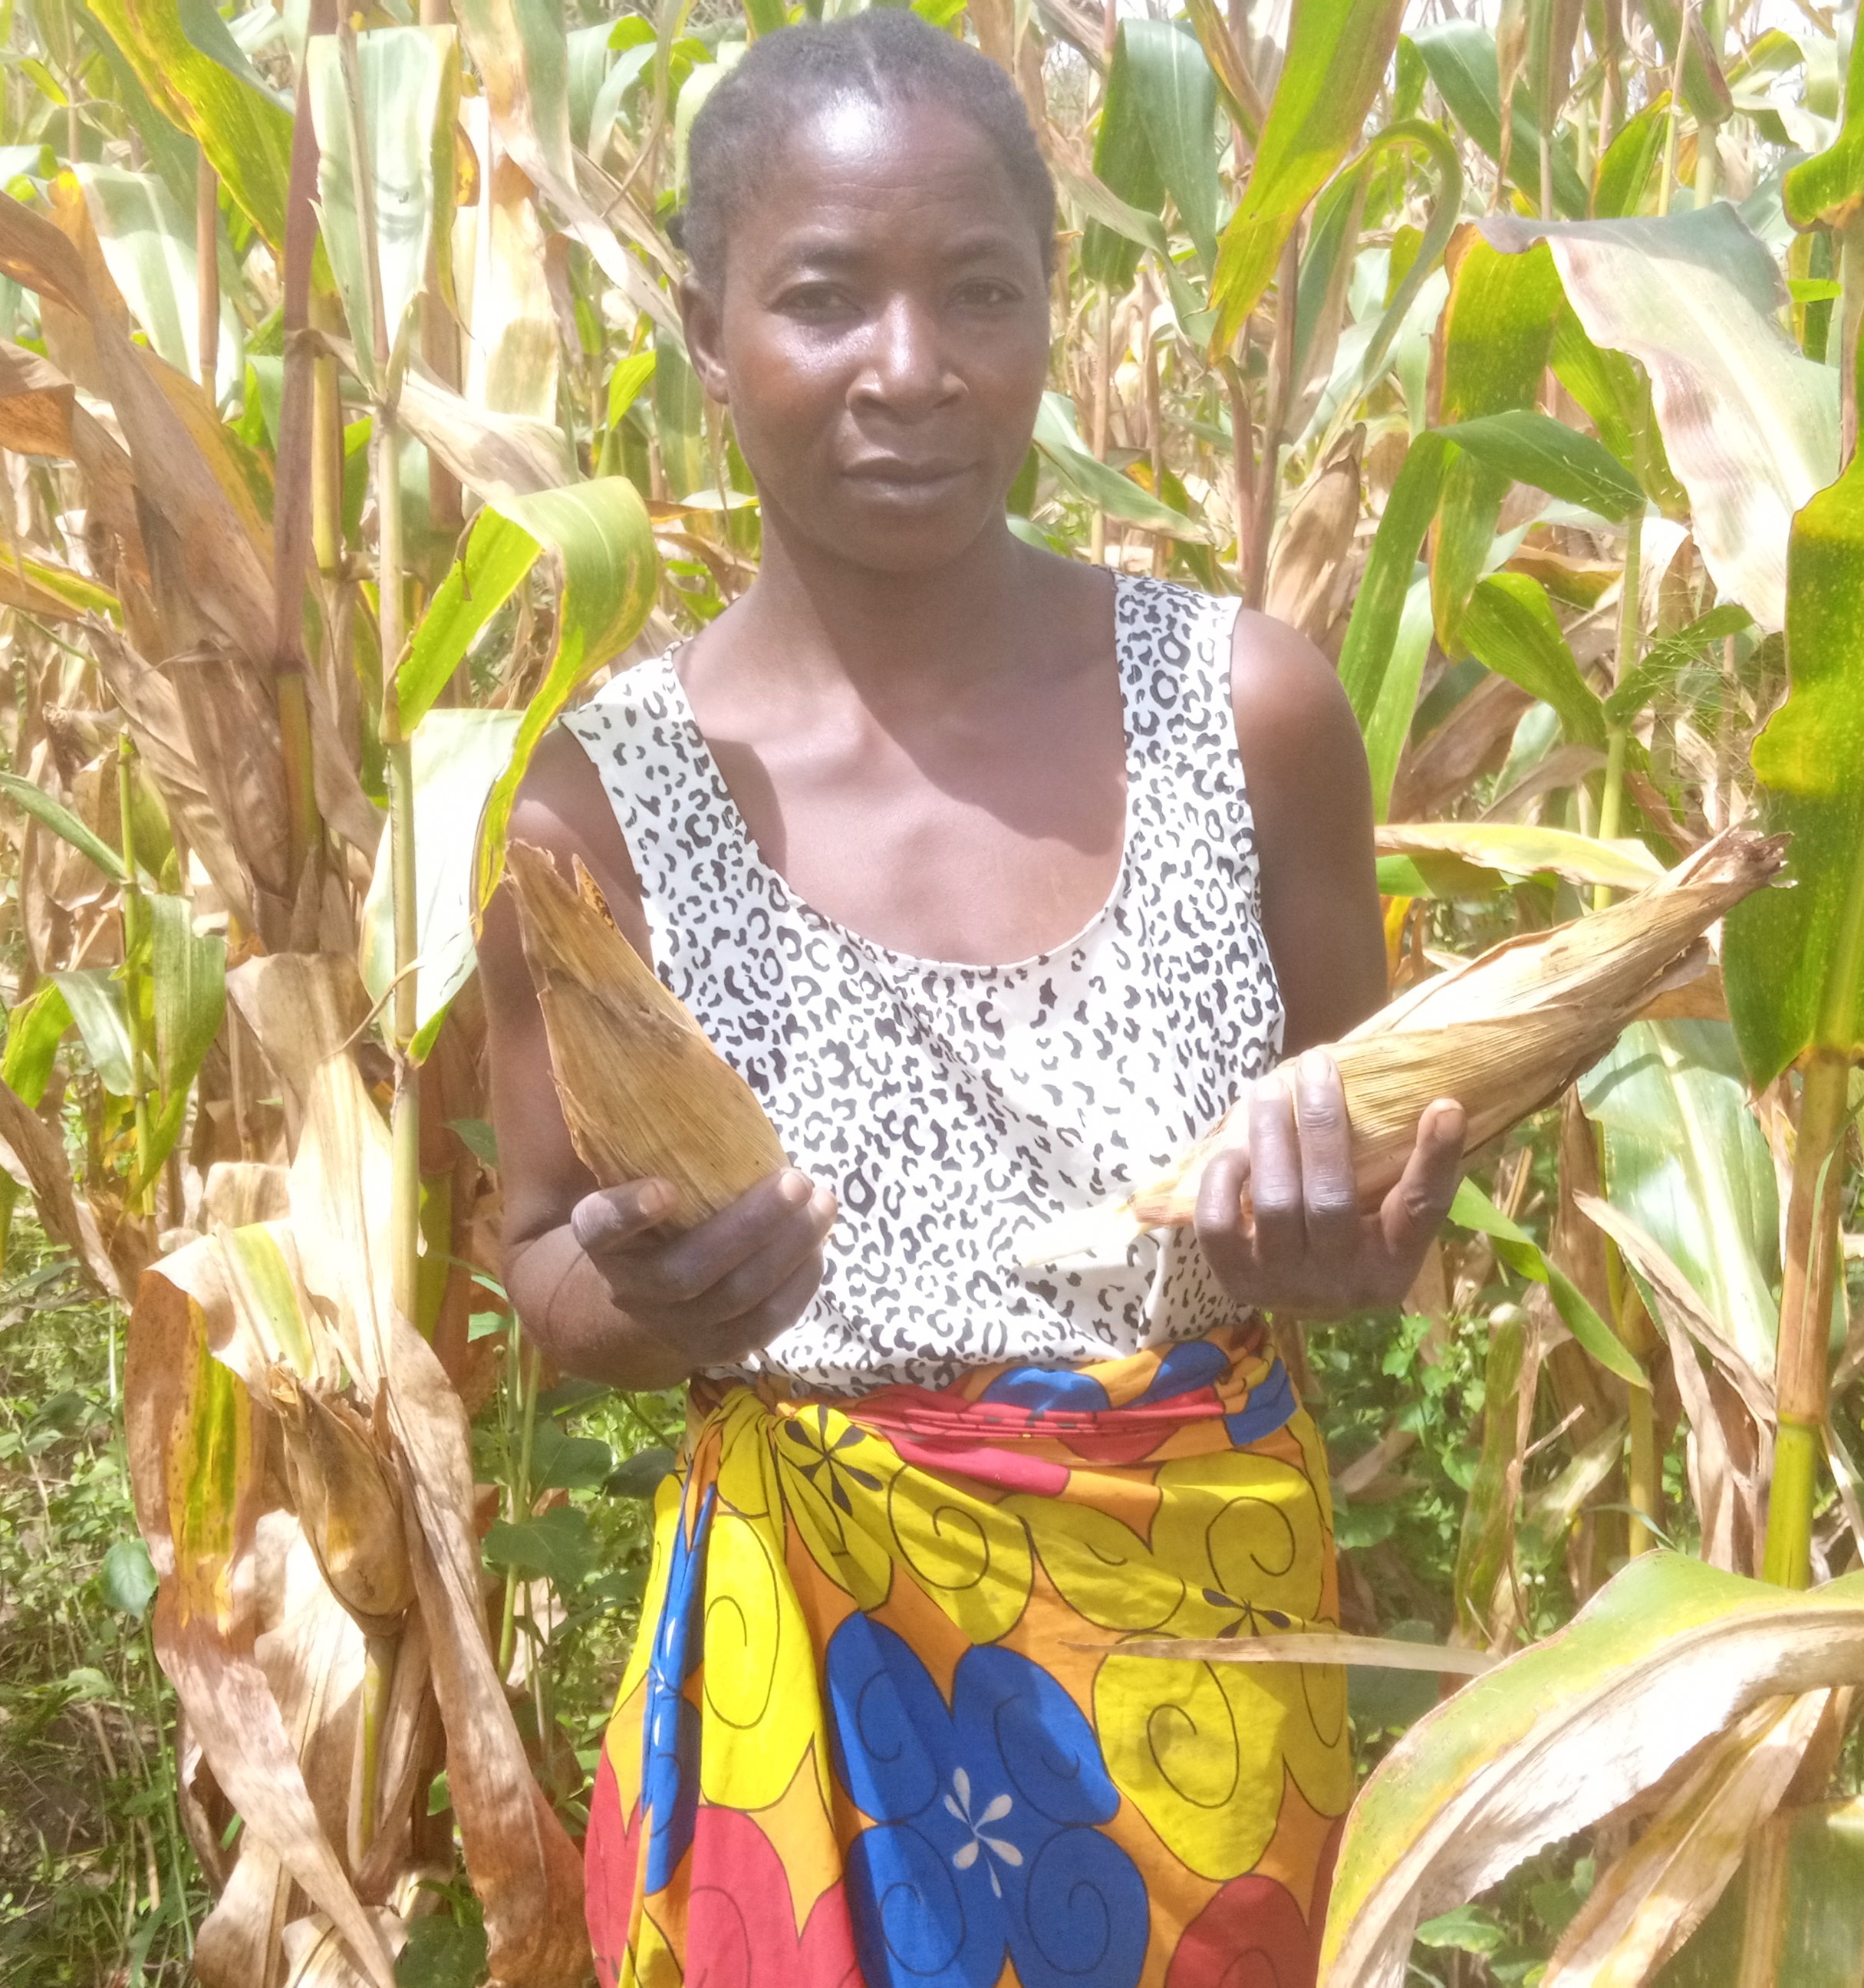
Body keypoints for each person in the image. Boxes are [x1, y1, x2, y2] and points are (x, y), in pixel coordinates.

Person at [478, 16, 1466, 1986]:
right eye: (823, 296)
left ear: (1049, 315)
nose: (910, 368)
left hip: (1198, 1683)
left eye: (980, 293)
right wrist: (655, 1294)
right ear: (704, 330)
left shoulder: (1248, 716)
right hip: (810, 1689)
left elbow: (1381, 1187)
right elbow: (541, 1268)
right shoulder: (602, 809)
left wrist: (1355, 1249)